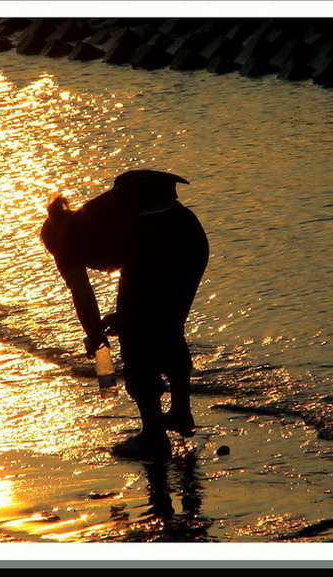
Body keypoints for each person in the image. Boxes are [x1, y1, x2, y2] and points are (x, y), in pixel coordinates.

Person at [41, 169, 209, 460]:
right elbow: (149, 299)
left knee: (137, 346)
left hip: (158, 243)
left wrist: (94, 333)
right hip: (191, 236)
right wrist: (126, 317)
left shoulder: (66, 241)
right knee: (169, 328)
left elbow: (82, 293)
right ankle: (181, 413)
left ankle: (154, 437)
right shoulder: (94, 223)